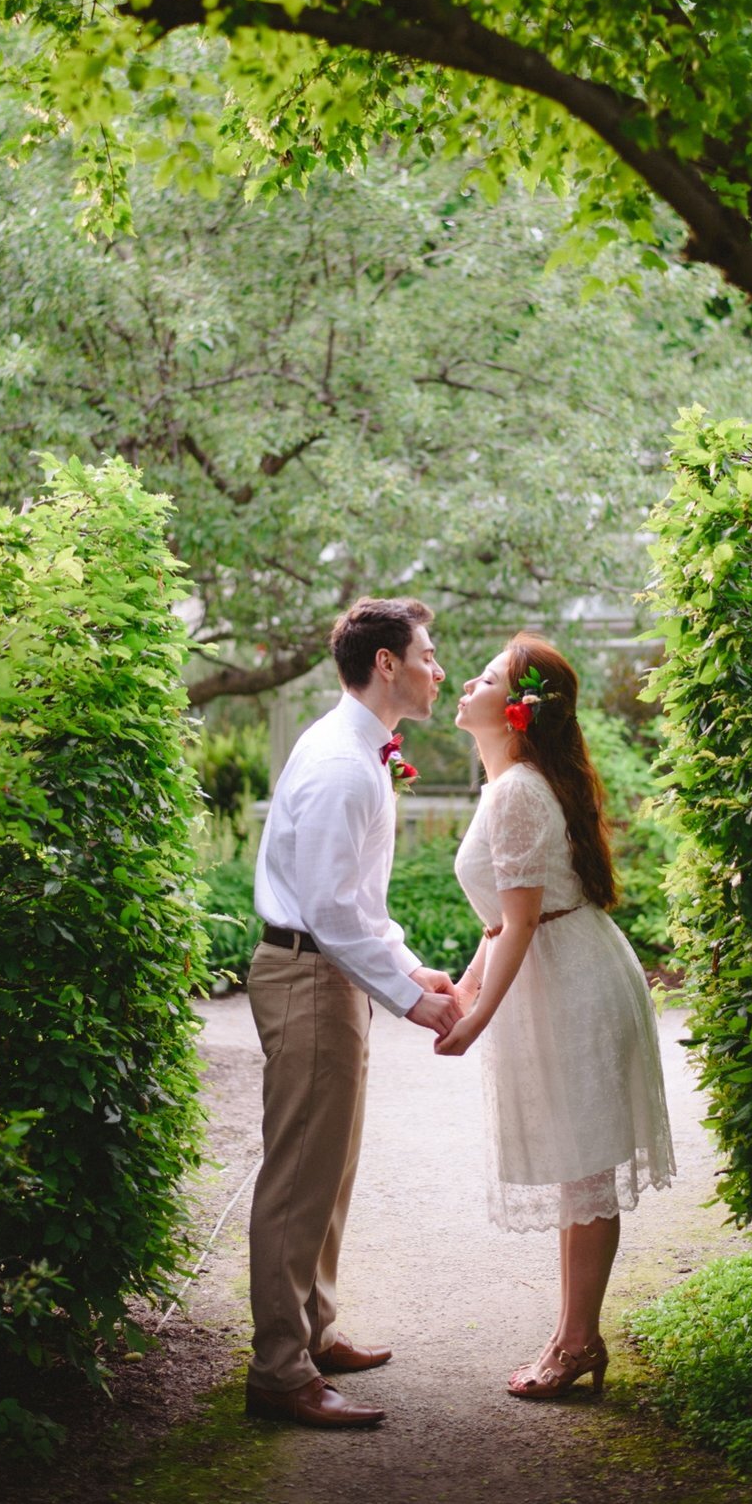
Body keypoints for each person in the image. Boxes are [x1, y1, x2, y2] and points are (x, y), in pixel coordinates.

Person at [434, 634, 675, 1398]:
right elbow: (503, 921)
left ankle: (577, 1342)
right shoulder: (510, 783)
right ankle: (575, 1335)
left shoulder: (517, 791)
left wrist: (473, 1019)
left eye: (486, 676)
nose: (465, 682)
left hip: (575, 986)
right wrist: (465, 988)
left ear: (516, 711)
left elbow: (525, 921)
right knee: (580, 1173)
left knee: (586, 1174)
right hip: (561, 971)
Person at [245, 597, 462, 1430]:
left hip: (326, 970)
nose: (437, 669)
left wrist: (411, 965)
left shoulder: (357, 750)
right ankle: (278, 1371)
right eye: (429, 654)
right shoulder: (341, 762)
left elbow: (359, 906)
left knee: (328, 1167)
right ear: (386, 664)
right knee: (299, 1174)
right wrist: (412, 1001)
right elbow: (333, 914)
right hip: (307, 974)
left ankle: (311, 1330)